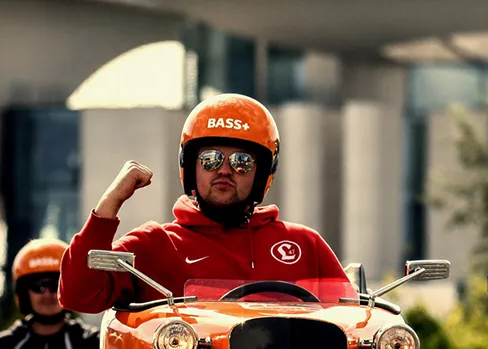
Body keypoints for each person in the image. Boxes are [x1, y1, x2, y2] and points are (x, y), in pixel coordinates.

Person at [59, 93, 349, 312]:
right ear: (190, 166)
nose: (224, 170)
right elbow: (78, 295)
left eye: (242, 162)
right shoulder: (154, 244)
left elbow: (356, 322)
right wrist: (111, 202)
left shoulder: (304, 245)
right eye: (210, 159)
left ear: (263, 175)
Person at [0, 238, 100, 349]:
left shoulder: (94, 343)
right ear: (24, 294)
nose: (47, 295)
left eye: (55, 286)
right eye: (38, 287)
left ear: (70, 289)